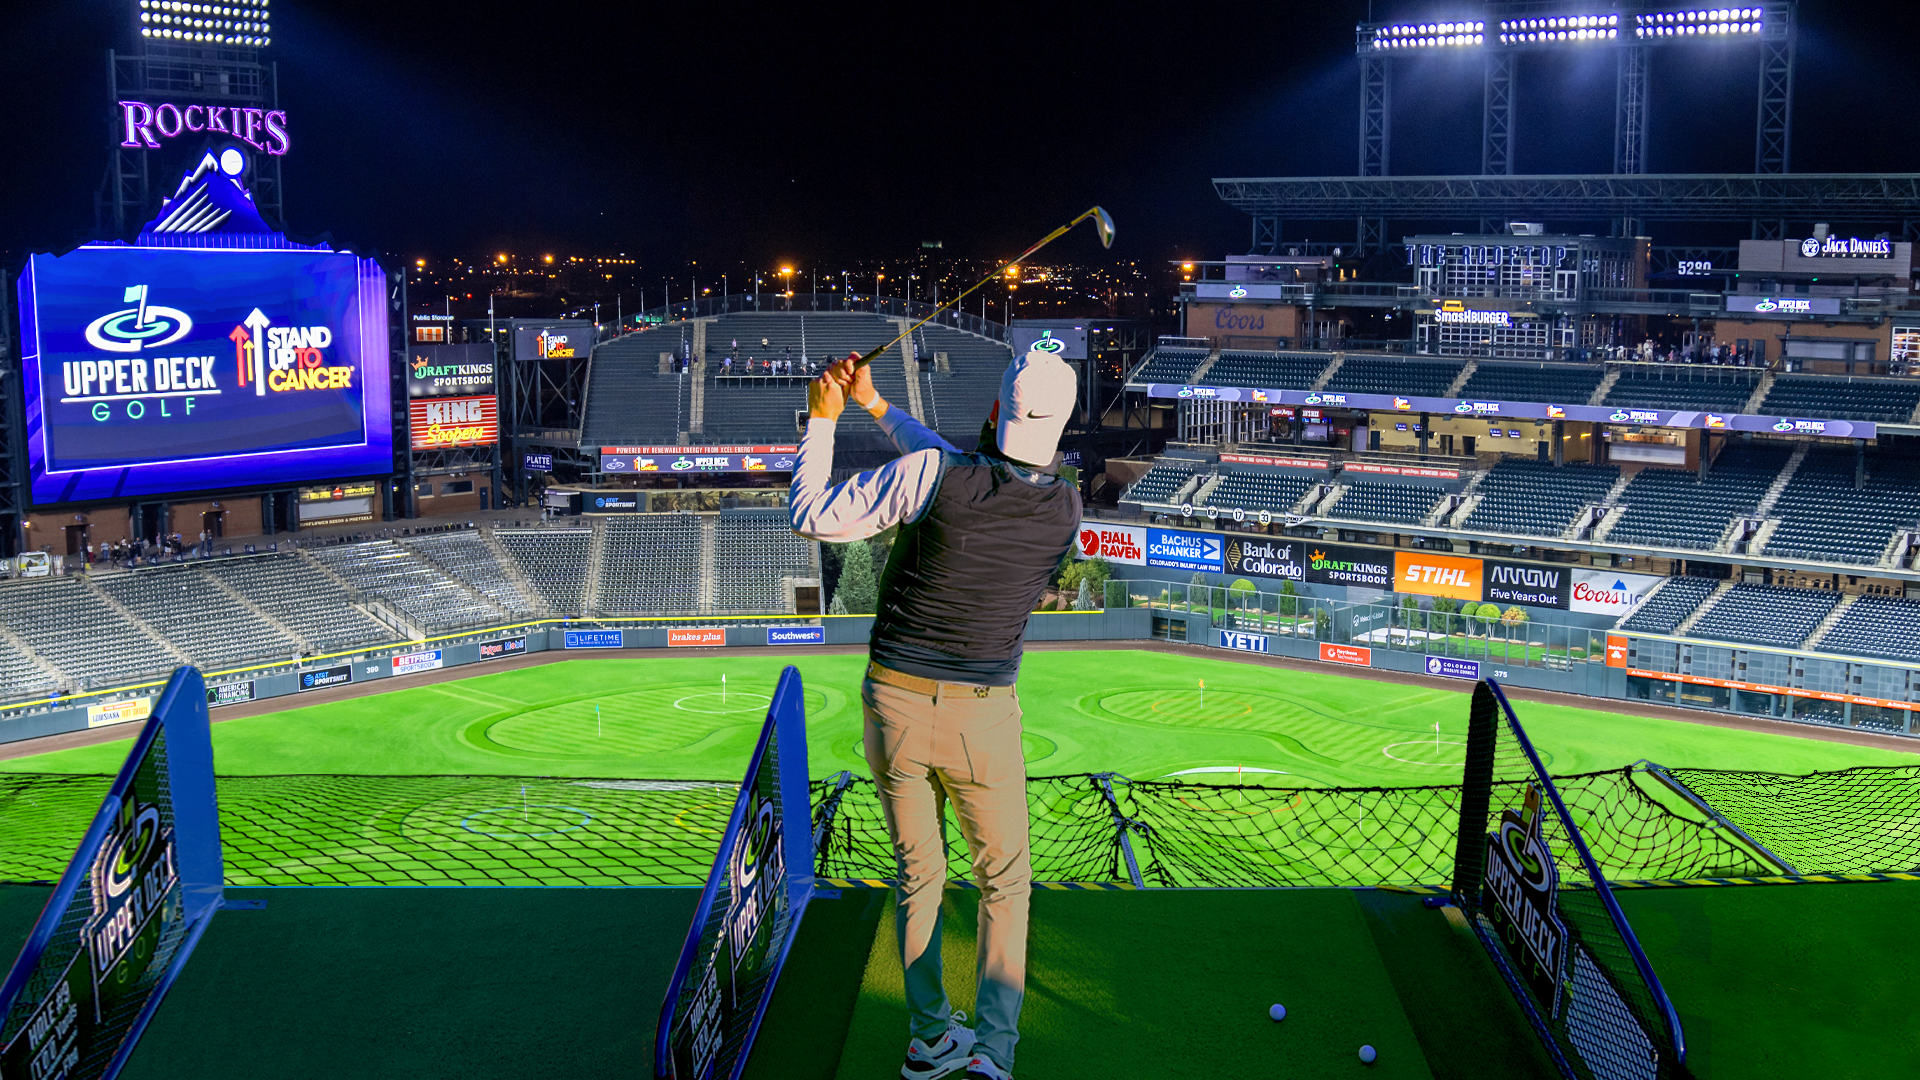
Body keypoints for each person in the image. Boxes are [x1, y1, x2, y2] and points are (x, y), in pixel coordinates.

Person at [789, 346, 1081, 1080]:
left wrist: (823, 420)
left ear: (993, 413)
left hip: (893, 707)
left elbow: (811, 513)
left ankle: (929, 1037)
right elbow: (964, 471)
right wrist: (878, 406)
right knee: (1004, 884)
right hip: (983, 719)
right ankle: (993, 1055)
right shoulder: (1065, 506)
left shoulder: (936, 478)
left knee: (920, 875)